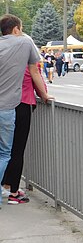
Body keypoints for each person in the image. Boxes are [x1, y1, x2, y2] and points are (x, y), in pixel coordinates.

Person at [0, 15, 50, 209]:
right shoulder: (25, 44)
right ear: (16, 29)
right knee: (12, 151)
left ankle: (8, 189)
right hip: (14, 104)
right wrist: (45, 95)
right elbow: (35, 73)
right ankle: (10, 190)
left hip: (10, 104)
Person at [2, 63, 49, 203]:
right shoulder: (32, 65)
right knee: (17, 149)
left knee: (5, 150)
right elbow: (41, 88)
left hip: (4, 106)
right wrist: (45, 95)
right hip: (23, 104)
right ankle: (14, 192)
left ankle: (5, 185)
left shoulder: (7, 62)